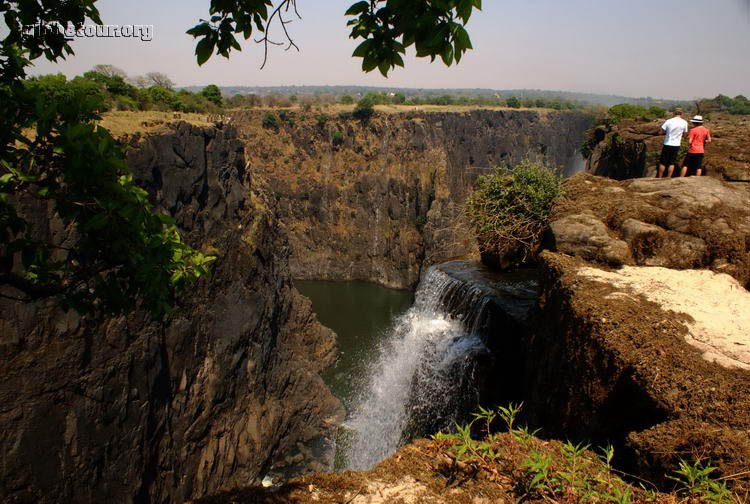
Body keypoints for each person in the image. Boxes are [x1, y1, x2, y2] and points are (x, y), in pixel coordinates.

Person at [657, 108, 689, 178]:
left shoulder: (668, 121)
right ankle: (668, 177)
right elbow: (685, 134)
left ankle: (659, 177)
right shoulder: (684, 122)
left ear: (674, 113)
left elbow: (661, 131)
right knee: (672, 162)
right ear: (681, 114)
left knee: (663, 162)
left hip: (667, 143)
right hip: (676, 144)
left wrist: (662, 133)